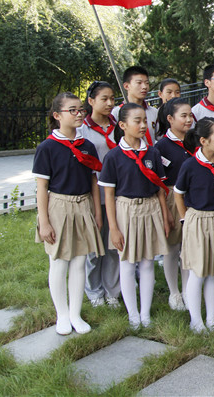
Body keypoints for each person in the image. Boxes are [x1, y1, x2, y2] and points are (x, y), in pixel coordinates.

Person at [34, 93, 105, 335]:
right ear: (57, 116)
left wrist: (97, 211)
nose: (78, 114)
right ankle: (62, 315)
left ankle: (75, 313)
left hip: (83, 205)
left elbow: (94, 181)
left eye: (80, 110)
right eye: (72, 110)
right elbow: (42, 187)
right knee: (59, 261)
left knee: (79, 262)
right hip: (59, 207)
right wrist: (44, 222)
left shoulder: (87, 146)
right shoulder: (47, 147)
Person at [98, 103, 172, 329]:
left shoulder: (152, 153)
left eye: (144, 121)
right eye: (136, 121)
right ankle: (133, 314)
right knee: (128, 263)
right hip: (125, 211)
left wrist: (164, 215)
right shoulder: (114, 156)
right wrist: (114, 227)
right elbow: (109, 195)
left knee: (148, 262)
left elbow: (160, 189)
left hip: (150, 209)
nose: (142, 126)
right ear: (122, 125)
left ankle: (145, 313)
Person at [173, 118, 214, 333]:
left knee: (213, 272)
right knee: (198, 272)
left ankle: (211, 319)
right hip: (197, 221)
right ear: (204, 141)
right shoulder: (191, 165)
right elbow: (178, 193)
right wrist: (185, 219)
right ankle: (195, 320)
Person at [80, 81, 121, 309]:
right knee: (94, 247)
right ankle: (94, 290)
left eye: (112, 99)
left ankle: (112, 290)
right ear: (91, 101)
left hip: (118, 194)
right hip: (94, 192)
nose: (109, 103)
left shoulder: (119, 126)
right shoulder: (82, 129)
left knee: (114, 244)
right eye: (104, 98)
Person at [154, 98, 195, 312]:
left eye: (190, 115)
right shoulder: (161, 147)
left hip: (193, 198)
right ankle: (174, 292)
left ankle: (188, 291)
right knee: (172, 247)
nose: (189, 120)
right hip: (171, 197)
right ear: (170, 119)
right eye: (183, 116)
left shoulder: (196, 141)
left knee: (188, 248)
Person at [112, 66, 158, 146]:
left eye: (147, 83)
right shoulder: (116, 113)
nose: (144, 87)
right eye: (139, 83)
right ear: (126, 86)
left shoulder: (154, 112)